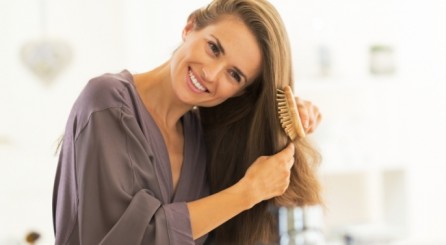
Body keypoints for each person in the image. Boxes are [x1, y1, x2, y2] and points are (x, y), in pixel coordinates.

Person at [53, 0, 322, 244]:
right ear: (190, 26)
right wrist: (246, 192)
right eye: (214, 48)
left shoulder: (202, 137)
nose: (211, 74)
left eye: (234, 75)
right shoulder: (107, 102)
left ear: (240, 93)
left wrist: (281, 124)